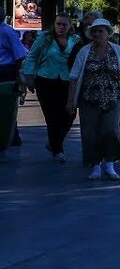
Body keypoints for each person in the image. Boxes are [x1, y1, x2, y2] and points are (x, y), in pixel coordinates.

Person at [67, 18, 120, 180]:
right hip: (89, 98)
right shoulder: (84, 51)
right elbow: (74, 77)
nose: (97, 34)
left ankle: (109, 164)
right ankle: (95, 165)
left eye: (100, 31)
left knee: (110, 130)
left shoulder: (117, 50)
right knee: (90, 132)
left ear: (108, 33)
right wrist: (71, 101)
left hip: (112, 97)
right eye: (94, 31)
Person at [21, 14, 80, 161]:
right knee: (52, 116)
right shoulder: (45, 39)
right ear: (54, 25)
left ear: (69, 26)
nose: (60, 27)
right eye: (58, 24)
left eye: (64, 25)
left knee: (69, 115)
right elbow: (32, 56)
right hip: (46, 79)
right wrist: (29, 76)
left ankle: (55, 142)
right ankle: (58, 150)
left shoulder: (76, 40)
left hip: (68, 80)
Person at [0, 18, 28, 148]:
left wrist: (18, 79)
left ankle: (12, 137)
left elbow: (20, 56)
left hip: (5, 72)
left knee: (7, 107)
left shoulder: (8, 32)